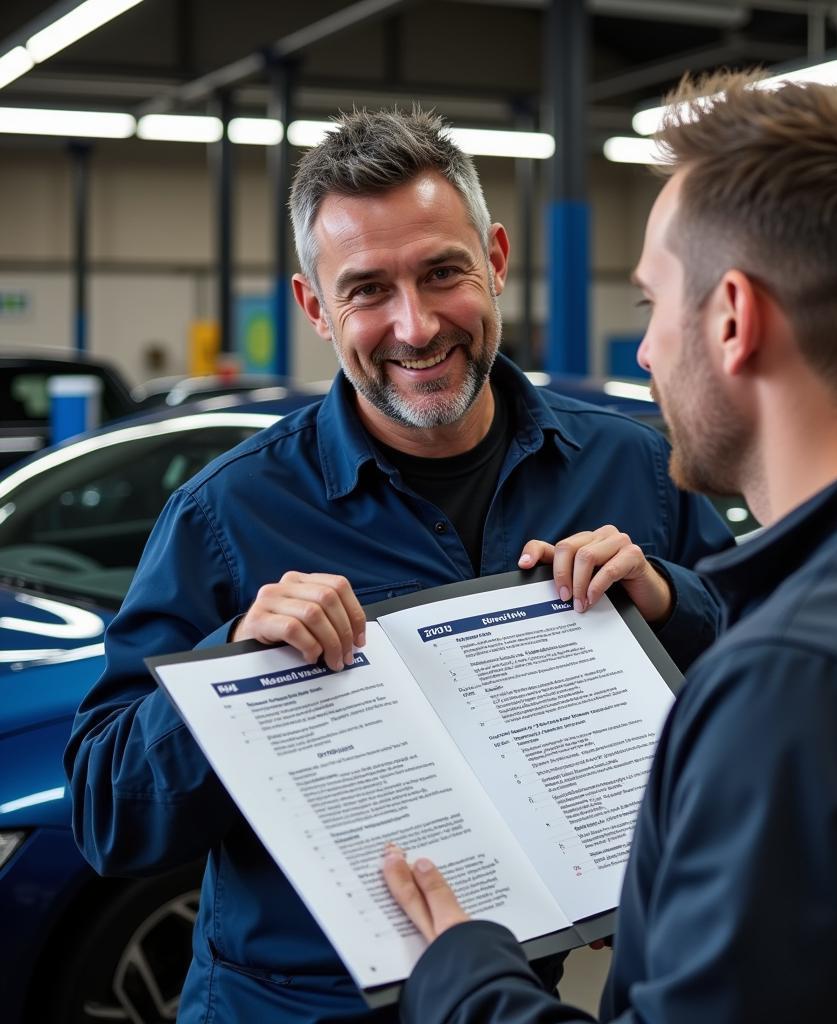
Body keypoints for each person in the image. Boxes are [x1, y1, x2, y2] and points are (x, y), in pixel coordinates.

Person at [64, 107, 732, 1023]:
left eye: (443, 272)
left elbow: (768, 685)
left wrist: (670, 600)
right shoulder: (227, 517)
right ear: (314, 308)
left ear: (495, 259)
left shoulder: (636, 472)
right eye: (367, 289)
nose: (414, 326)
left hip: (518, 995)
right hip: (288, 1007)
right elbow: (107, 815)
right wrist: (231, 667)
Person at [381, 72, 837, 1022]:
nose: (643, 356)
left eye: (651, 307)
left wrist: (463, 975)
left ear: (732, 319)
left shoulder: (799, 678)